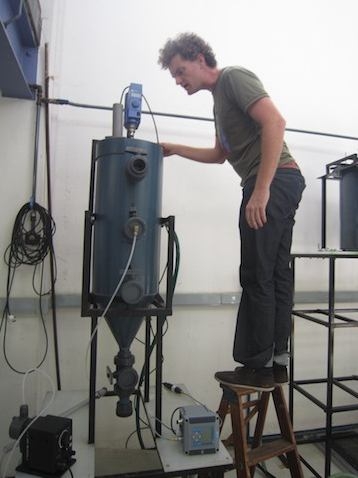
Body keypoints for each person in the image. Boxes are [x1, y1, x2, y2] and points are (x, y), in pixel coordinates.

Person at [158, 33, 305, 391]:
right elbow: (219, 155)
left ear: (198, 57)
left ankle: (258, 366)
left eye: (180, 71)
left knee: (257, 273)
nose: (178, 81)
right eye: (174, 76)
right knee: (273, 273)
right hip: (280, 181)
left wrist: (261, 190)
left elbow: (275, 122)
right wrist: (174, 149)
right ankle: (275, 363)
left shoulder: (233, 78)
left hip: (273, 181)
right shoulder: (217, 103)